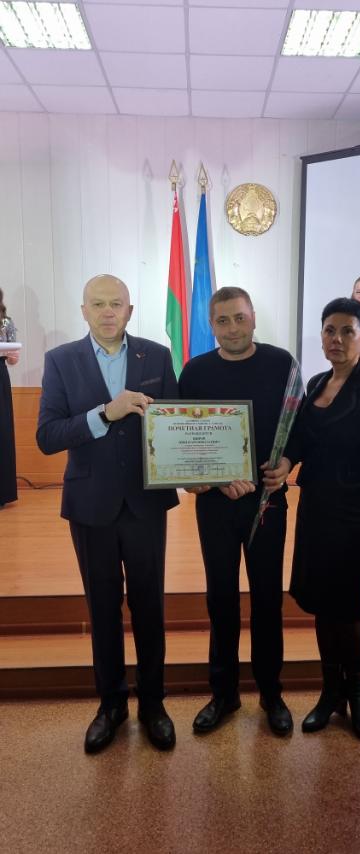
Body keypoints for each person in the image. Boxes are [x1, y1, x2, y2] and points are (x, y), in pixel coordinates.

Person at [37, 274, 179, 754]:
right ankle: (111, 705)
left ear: (129, 310)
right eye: (97, 304)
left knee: (150, 608)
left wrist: (200, 470)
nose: (107, 312)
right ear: (84, 311)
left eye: (116, 303)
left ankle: (153, 704)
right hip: (90, 505)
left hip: (145, 504)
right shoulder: (61, 360)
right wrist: (105, 413)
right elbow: (47, 436)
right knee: (102, 609)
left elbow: (175, 424)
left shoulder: (156, 355)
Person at [267, 297, 360, 740]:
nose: (337, 339)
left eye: (348, 331)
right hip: (316, 513)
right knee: (322, 606)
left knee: (346, 610)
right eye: (330, 330)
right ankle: (330, 694)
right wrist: (286, 462)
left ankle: (358, 693)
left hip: (355, 517)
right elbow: (303, 439)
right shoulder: (317, 382)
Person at [178, 287, 295, 737]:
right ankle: (223, 694)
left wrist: (289, 462)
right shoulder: (195, 371)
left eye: (239, 318)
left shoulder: (282, 364)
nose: (232, 328)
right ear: (211, 325)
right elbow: (182, 435)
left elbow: (300, 426)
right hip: (215, 505)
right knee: (220, 599)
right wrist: (205, 477)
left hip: (267, 502)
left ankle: (271, 693)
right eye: (222, 320)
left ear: (253, 318)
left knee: (267, 600)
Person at [0, 289, 20, 508]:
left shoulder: (6, 322)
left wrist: (12, 355)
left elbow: (14, 359)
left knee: (1, 430)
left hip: (0, 376)